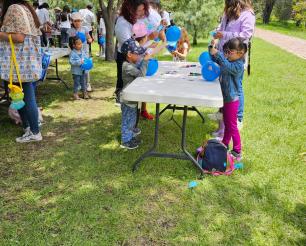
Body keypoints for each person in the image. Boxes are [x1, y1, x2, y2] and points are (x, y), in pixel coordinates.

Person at [210, 0, 255, 138]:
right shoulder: (228, 12)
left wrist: (224, 34)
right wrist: (217, 36)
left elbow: (245, 35)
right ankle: (222, 120)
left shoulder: (248, 14)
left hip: (236, 57)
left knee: (235, 87)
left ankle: (237, 119)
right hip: (225, 54)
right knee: (223, 86)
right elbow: (222, 27)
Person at [0, 0, 43, 143]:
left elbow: (19, 37)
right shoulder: (26, 8)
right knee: (24, 96)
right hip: (27, 61)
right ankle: (29, 128)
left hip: (20, 62)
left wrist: (1, 34)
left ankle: (34, 131)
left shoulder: (14, 8)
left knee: (25, 97)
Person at [115, 0, 159, 120]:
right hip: (128, 59)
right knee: (129, 88)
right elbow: (131, 49)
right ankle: (128, 114)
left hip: (138, 56)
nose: (141, 13)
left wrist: (159, 28)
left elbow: (150, 27)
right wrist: (148, 41)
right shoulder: (122, 23)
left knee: (141, 84)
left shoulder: (140, 17)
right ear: (129, 9)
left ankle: (138, 112)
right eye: (138, 10)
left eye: (143, 10)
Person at [209, 37, 247, 160]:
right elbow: (218, 60)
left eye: (230, 52)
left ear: (240, 53)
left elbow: (226, 66)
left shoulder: (238, 65)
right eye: (226, 52)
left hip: (232, 99)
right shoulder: (229, 60)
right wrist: (212, 48)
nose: (227, 55)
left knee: (232, 125)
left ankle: (237, 151)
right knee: (227, 123)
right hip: (226, 98)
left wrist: (219, 55)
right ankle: (224, 144)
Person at [120, 38, 150, 149]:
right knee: (127, 120)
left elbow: (139, 66)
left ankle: (130, 137)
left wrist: (144, 58)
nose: (139, 56)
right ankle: (125, 141)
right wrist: (145, 61)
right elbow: (141, 75)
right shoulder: (127, 66)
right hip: (127, 99)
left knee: (132, 120)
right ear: (129, 54)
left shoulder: (131, 63)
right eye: (137, 54)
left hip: (132, 98)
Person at [68, 12, 93, 92]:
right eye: (75, 21)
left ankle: (87, 84)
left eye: (79, 20)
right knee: (76, 69)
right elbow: (70, 42)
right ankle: (78, 84)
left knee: (86, 69)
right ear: (72, 21)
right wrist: (71, 50)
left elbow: (89, 38)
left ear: (81, 21)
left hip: (84, 51)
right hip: (75, 52)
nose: (77, 22)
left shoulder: (85, 28)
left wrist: (89, 40)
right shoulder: (71, 30)